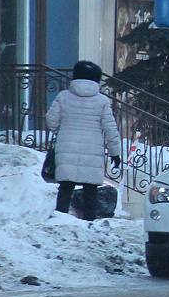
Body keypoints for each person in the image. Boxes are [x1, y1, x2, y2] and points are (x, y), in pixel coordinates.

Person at [46, 61, 122, 220]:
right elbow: (110, 128)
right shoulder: (101, 101)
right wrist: (115, 153)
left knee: (66, 186)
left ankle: (59, 219)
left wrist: (62, 131)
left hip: (66, 144)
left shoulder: (63, 96)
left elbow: (51, 120)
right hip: (92, 148)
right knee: (90, 189)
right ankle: (89, 221)